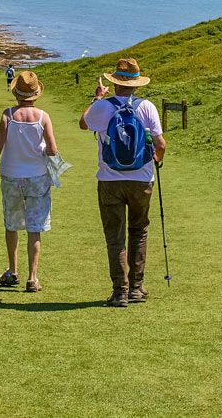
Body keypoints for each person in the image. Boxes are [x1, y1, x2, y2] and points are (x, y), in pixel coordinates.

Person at [80, 57, 166, 307]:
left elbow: (83, 123)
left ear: (114, 83)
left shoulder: (103, 107)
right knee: (139, 231)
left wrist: (97, 98)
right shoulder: (147, 107)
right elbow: (160, 144)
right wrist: (156, 161)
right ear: (136, 84)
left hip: (109, 179)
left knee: (114, 237)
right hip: (141, 179)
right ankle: (137, 288)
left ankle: (120, 292)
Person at [0, 70, 58, 293]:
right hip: (37, 176)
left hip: (11, 176)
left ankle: (13, 271)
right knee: (35, 228)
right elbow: (52, 150)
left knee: (12, 224)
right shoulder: (43, 117)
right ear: (35, 95)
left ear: (17, 93)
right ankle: (33, 278)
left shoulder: (8, 115)